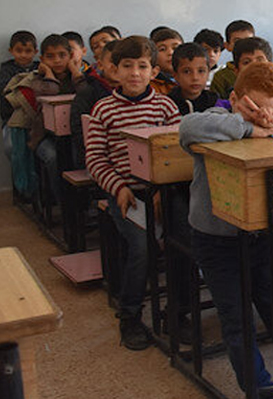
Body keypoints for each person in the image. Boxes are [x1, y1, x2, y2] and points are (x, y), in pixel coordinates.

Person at [179, 61, 273, 398]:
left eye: (271, 110)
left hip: (260, 236)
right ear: (234, 98)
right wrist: (246, 126)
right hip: (215, 239)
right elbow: (188, 128)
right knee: (237, 322)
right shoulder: (217, 121)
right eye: (253, 107)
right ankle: (260, 390)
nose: (263, 116)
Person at [85, 36, 181, 350]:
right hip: (125, 192)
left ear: (154, 71)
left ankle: (178, 312)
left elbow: (177, 156)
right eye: (127, 66)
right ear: (114, 70)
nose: (135, 73)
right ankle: (129, 317)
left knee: (186, 240)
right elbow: (96, 160)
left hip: (163, 192)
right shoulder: (103, 109)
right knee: (141, 248)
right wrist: (120, 188)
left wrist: (162, 190)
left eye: (142, 66)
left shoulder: (166, 106)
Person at [5, 34, 84, 201]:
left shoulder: (77, 77)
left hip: (74, 135)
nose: (57, 61)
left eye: (62, 55)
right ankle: (61, 201)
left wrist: (75, 70)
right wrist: (48, 72)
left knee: (80, 155)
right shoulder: (37, 79)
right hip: (44, 137)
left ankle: (82, 202)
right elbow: (50, 91)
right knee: (53, 156)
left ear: (70, 56)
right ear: (41, 59)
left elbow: (85, 92)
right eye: (50, 56)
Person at [70, 40, 119, 168]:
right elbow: (78, 130)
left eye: (126, 64)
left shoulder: (134, 93)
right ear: (101, 65)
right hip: (98, 156)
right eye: (113, 61)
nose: (119, 67)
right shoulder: (88, 90)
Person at [167, 43, 227, 115]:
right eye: (187, 71)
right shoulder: (167, 105)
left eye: (201, 71)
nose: (195, 77)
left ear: (208, 73)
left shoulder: (215, 103)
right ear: (175, 75)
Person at [0, 31, 39, 128]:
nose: (23, 55)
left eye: (28, 51)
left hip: (35, 118)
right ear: (11, 51)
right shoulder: (6, 70)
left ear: (35, 52)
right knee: (12, 143)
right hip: (11, 118)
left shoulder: (40, 68)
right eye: (19, 51)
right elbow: (5, 92)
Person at [210, 19, 255, 98]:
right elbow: (217, 105)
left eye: (248, 41)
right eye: (237, 41)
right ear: (227, 46)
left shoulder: (264, 72)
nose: (244, 46)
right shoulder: (221, 76)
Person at [150, 28, 183, 94]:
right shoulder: (150, 87)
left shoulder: (192, 79)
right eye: (162, 49)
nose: (170, 53)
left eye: (175, 48)